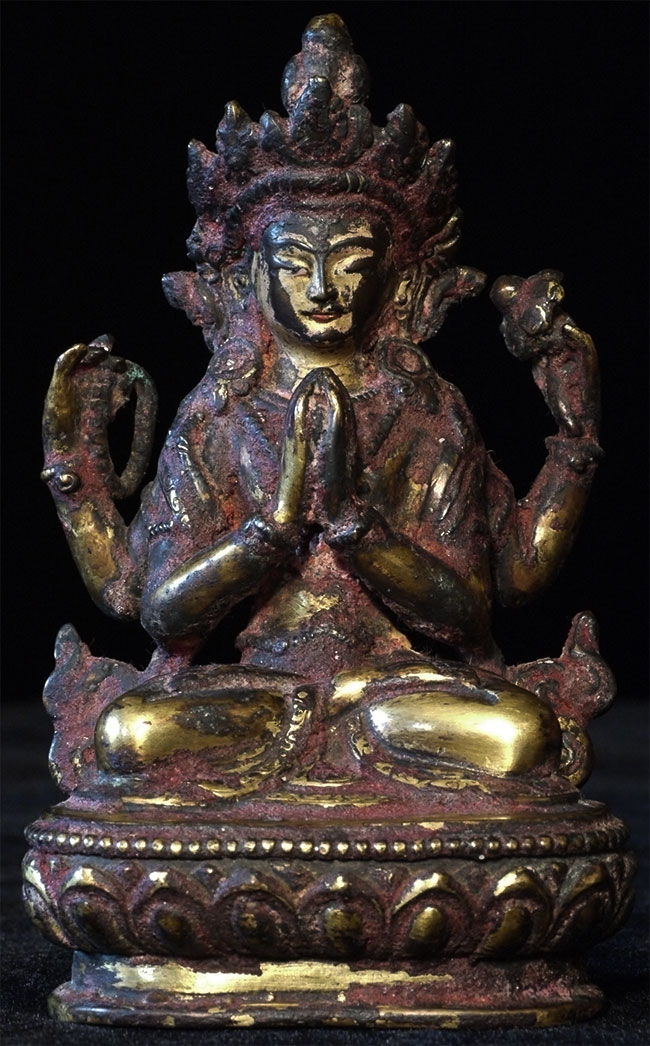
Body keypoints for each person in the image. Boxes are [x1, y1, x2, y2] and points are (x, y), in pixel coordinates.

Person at [41, 15, 607, 796]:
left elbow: (469, 611)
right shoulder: (219, 415)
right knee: (129, 731)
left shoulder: (427, 413)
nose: (320, 289)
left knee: (518, 734)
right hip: (258, 688)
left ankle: (326, 759)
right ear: (249, 278)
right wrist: (269, 531)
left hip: (393, 689)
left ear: (396, 280)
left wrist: (357, 527)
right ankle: (327, 758)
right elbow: (165, 612)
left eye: (349, 263)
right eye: (294, 262)